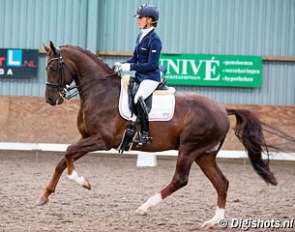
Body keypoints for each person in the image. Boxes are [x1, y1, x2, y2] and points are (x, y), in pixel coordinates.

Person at [114, 4, 162, 145]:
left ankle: (145, 134)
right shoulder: (140, 36)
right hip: (141, 77)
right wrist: (122, 64)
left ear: (149, 20)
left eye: (141, 18)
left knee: (138, 98)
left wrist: (130, 66)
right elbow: (134, 58)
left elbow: (151, 65)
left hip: (151, 78)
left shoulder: (155, 40)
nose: (138, 20)